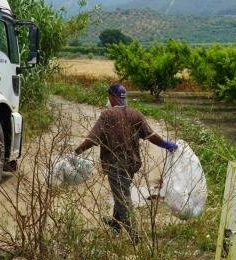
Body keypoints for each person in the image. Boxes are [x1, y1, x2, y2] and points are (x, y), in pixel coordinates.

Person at [74, 83, 177, 242]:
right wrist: (166, 144)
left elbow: (92, 140)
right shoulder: (135, 114)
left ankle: (135, 237)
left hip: (116, 164)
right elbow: (151, 135)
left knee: (122, 197)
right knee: (122, 190)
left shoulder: (107, 115)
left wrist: (75, 153)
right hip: (133, 163)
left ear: (112, 97)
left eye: (108, 96)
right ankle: (115, 224)